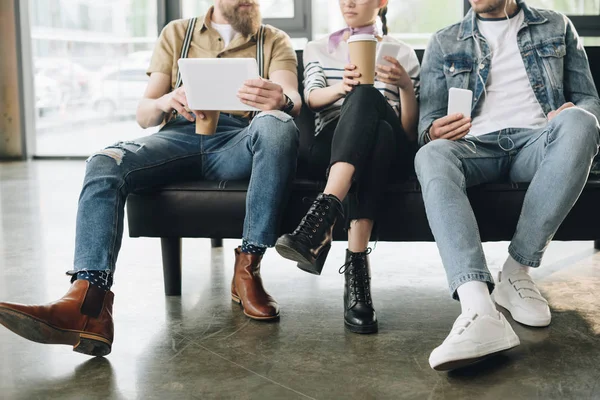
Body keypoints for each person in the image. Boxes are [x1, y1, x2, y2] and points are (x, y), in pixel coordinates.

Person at [0, 0, 302, 356]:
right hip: (178, 135)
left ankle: (247, 270)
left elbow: (294, 99)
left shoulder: (273, 39)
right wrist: (166, 100)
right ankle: (89, 306)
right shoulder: (177, 33)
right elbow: (144, 114)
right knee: (104, 161)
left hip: (238, 140)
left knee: (278, 124)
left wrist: (281, 99)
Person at [416, 0, 600, 370]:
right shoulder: (444, 39)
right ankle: (479, 307)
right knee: (432, 154)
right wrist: (434, 130)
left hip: (537, 142)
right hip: (474, 146)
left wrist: (569, 114)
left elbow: (588, 99)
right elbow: (428, 122)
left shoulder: (556, 25)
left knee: (581, 122)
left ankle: (516, 273)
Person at [276, 0, 420, 334]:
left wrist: (405, 87)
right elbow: (311, 98)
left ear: (382, 2)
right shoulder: (318, 48)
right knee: (374, 131)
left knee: (373, 106)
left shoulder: (402, 53)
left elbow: (410, 131)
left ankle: (322, 219)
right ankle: (357, 272)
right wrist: (343, 86)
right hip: (332, 141)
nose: (349, 3)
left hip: (395, 145)